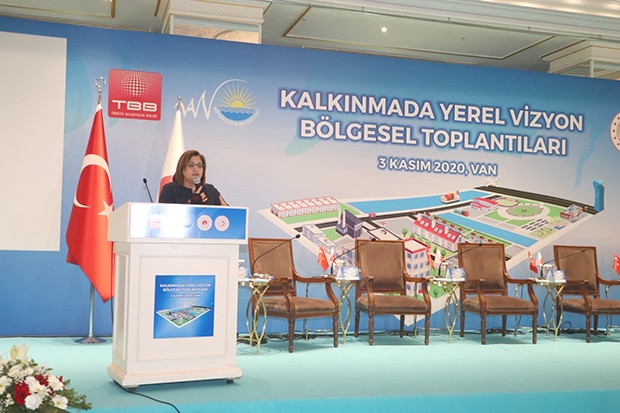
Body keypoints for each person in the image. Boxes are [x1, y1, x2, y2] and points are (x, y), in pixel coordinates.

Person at [158, 149, 228, 206]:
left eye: (199, 166)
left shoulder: (210, 190)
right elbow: (165, 215)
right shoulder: (170, 190)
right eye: (191, 165)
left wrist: (225, 210)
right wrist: (190, 202)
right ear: (181, 168)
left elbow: (225, 213)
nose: (196, 169)